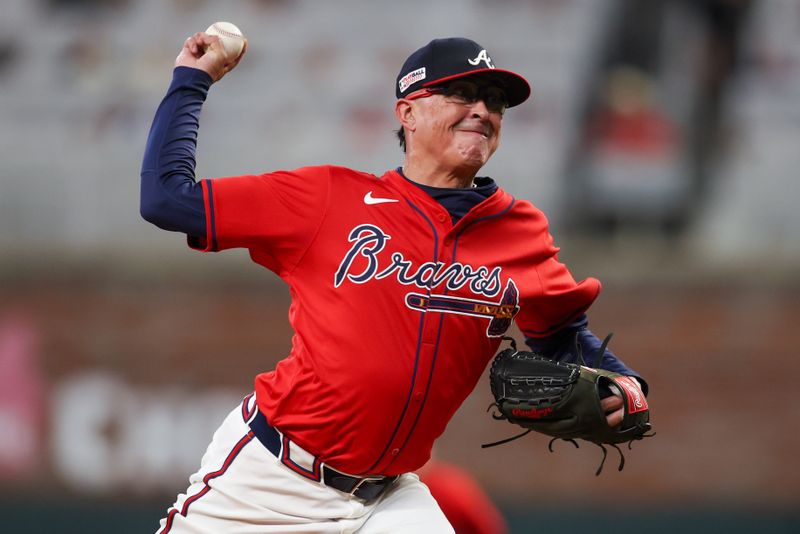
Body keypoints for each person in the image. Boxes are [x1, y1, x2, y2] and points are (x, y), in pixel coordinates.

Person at [140, 33, 649, 533]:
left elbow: (561, 334)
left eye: (494, 101)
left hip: (387, 498)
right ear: (407, 112)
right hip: (272, 480)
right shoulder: (325, 200)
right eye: (461, 94)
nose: (482, 110)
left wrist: (625, 384)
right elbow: (166, 200)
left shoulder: (521, 232)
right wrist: (192, 79)